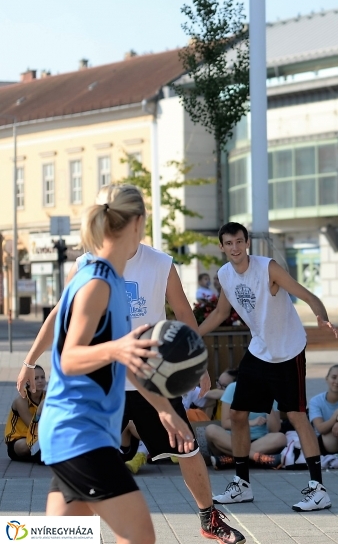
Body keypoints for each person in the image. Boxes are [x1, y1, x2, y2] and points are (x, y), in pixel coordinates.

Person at [19, 202, 244, 544]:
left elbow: (156, 334)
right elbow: (71, 350)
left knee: (64, 531)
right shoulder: (92, 274)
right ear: (136, 223)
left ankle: (208, 516)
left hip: (126, 390)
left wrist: (170, 404)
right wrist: (31, 360)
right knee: (129, 533)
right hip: (84, 414)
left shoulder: (148, 266)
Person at [36, 184, 195, 544]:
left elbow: (125, 360)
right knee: (140, 536)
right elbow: (69, 357)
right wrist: (116, 350)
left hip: (76, 433)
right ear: (138, 223)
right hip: (80, 434)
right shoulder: (96, 282)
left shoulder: (110, 280)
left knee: (60, 537)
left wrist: (164, 410)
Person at [198, 222, 338, 511]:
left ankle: (318, 489)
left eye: (239, 241)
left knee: (298, 416)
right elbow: (222, 312)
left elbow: (306, 294)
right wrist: (193, 333)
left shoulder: (267, 268)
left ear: (247, 242)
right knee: (237, 414)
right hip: (259, 349)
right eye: (229, 243)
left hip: (288, 350)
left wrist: (320, 315)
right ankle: (242, 485)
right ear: (222, 247)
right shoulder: (225, 275)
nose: (235, 248)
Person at [204, 376, 286, 469]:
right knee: (211, 430)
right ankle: (256, 457)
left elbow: (275, 429)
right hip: (233, 439)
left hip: (259, 441)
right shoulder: (233, 388)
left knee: (281, 438)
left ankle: (231, 459)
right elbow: (225, 423)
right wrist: (251, 423)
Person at [5, 364, 46, 462]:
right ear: (28, 381)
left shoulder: (48, 396)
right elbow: (32, 426)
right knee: (27, 446)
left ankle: (42, 454)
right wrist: (39, 411)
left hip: (39, 437)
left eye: (42, 377)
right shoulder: (21, 400)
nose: (40, 380)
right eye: (36, 378)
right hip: (19, 439)